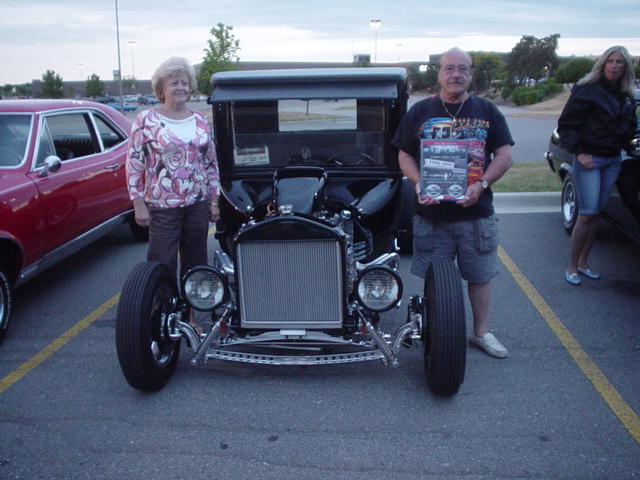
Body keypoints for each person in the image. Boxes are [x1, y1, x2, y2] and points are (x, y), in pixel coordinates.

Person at [392, 47, 514, 358]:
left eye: (462, 69)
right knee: (436, 279)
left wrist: (482, 184)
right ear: (440, 74)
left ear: (471, 74)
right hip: (432, 217)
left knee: (479, 274)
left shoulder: (487, 111)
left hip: (476, 214)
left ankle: (480, 332)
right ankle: (437, 333)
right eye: (449, 68)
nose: (455, 75)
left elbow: (504, 155)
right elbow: (404, 154)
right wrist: (419, 183)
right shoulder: (419, 112)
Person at [126, 56, 220, 330]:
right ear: (161, 89)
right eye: (174, 82)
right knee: (162, 262)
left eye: (184, 82)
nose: (180, 87)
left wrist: (213, 201)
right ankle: (161, 315)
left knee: (195, 262)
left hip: (198, 203)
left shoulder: (200, 120)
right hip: (162, 205)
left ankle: (191, 316)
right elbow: (133, 164)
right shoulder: (146, 120)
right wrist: (138, 203)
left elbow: (211, 163)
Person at [557, 45, 637, 286]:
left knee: (598, 214)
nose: (614, 66)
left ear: (626, 67)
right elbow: (566, 125)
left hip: (613, 159)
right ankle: (571, 266)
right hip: (589, 160)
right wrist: (580, 153)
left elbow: (628, 128)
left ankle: (584, 263)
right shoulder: (587, 89)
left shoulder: (625, 95)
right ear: (603, 64)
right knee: (587, 213)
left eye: (619, 62)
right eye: (610, 61)